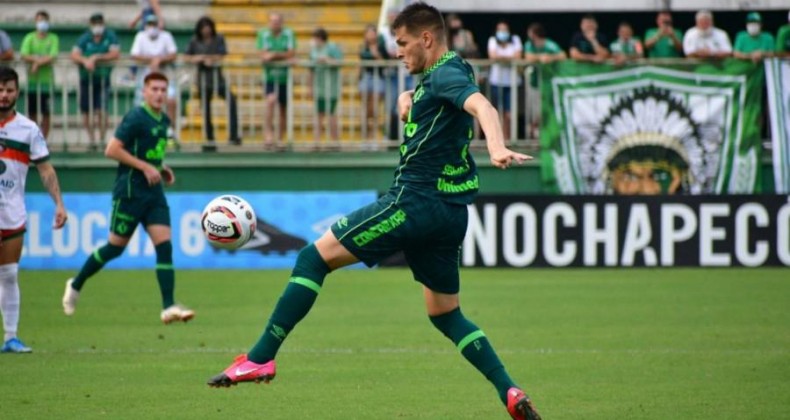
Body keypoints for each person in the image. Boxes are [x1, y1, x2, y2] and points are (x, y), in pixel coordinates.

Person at [206, 3, 541, 419]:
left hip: (414, 202)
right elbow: (442, 99)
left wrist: (494, 145)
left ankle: (260, 357)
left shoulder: (447, 75)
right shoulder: (446, 72)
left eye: (402, 44)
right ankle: (508, 390)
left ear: (426, 39)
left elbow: (482, 107)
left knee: (313, 258)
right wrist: (408, 99)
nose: (397, 52)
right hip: (451, 215)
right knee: (445, 313)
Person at [61, 72, 194, 325]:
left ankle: (168, 306)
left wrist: (160, 167)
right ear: (144, 92)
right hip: (130, 192)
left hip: (153, 194)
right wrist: (145, 167)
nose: (159, 94)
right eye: (154, 89)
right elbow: (111, 149)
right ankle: (76, 283)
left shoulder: (164, 120)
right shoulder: (135, 117)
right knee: (115, 248)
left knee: (164, 246)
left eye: (163, 90)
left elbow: (148, 154)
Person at [0, 66, 67, 353]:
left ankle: (11, 336)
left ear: (18, 92)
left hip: (12, 211)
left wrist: (59, 204)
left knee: (10, 274)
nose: (4, 95)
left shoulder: (28, 129)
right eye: (0, 89)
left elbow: (45, 169)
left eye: (10, 90)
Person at [184, 16, 241, 148]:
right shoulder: (194, 41)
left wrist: (211, 59)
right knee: (206, 110)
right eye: (204, 28)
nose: (206, 30)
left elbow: (222, 54)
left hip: (218, 78)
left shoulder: (218, 38)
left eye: (208, 27)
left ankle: (233, 135)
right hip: (203, 81)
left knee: (232, 100)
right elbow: (187, 57)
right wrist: (199, 59)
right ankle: (210, 139)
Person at [71, 13, 120, 151]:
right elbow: (74, 54)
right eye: (95, 24)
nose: (97, 27)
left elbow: (115, 53)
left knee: (102, 110)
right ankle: (92, 140)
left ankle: (102, 139)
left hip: (103, 79)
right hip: (86, 79)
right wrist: (85, 60)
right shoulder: (85, 37)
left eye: (100, 23)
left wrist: (96, 57)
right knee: (86, 110)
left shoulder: (110, 36)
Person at [256, 12, 296, 149]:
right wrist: (282, 56)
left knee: (283, 109)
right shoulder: (263, 34)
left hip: (285, 77)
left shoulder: (289, 34)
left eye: (278, 21)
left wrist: (274, 55)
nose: (275, 24)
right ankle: (268, 134)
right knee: (270, 101)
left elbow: (291, 53)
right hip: (270, 76)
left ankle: (280, 138)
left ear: (282, 22)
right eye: (273, 21)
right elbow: (262, 55)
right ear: (269, 23)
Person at [130, 15, 177, 125]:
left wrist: (160, 60)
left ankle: (170, 130)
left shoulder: (166, 36)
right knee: (140, 104)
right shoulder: (140, 36)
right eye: (149, 24)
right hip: (145, 77)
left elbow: (173, 54)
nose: (152, 27)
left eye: (154, 24)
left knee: (171, 100)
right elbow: (134, 55)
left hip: (165, 77)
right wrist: (152, 60)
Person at [20, 10, 59, 139]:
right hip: (32, 83)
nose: (42, 23)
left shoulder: (53, 38)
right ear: (35, 22)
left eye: (44, 20)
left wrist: (36, 63)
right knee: (32, 113)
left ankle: (43, 140)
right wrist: (38, 61)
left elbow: (52, 56)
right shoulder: (29, 37)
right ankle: (34, 139)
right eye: (39, 20)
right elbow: (24, 54)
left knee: (46, 113)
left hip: (46, 83)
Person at [523, 23, 565, 139]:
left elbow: (562, 55)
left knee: (548, 110)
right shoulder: (529, 45)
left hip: (548, 84)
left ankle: (545, 134)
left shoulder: (549, 44)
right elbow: (528, 57)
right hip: (535, 83)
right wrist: (541, 57)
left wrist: (550, 58)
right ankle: (534, 132)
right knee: (536, 111)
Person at [487, 20, 522, 141]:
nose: (502, 32)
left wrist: (501, 58)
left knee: (509, 113)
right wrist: (508, 58)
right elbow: (493, 56)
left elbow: (517, 56)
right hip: (496, 82)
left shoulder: (515, 39)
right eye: (500, 30)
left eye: (504, 30)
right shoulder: (492, 41)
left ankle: (509, 138)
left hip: (512, 82)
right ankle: (499, 139)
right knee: (498, 112)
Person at [308, 27, 343, 146]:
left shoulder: (331, 47)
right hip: (319, 88)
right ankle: (317, 142)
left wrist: (327, 60)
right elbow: (311, 70)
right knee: (319, 115)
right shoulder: (313, 51)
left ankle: (334, 142)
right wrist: (310, 87)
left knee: (331, 114)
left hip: (331, 88)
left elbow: (339, 62)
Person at [359, 24, 389, 141]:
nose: (370, 35)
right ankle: (366, 137)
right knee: (366, 109)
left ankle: (374, 136)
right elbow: (363, 57)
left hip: (379, 78)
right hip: (366, 77)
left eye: (372, 32)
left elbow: (384, 60)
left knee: (375, 108)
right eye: (368, 33)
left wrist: (375, 53)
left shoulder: (381, 46)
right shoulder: (363, 48)